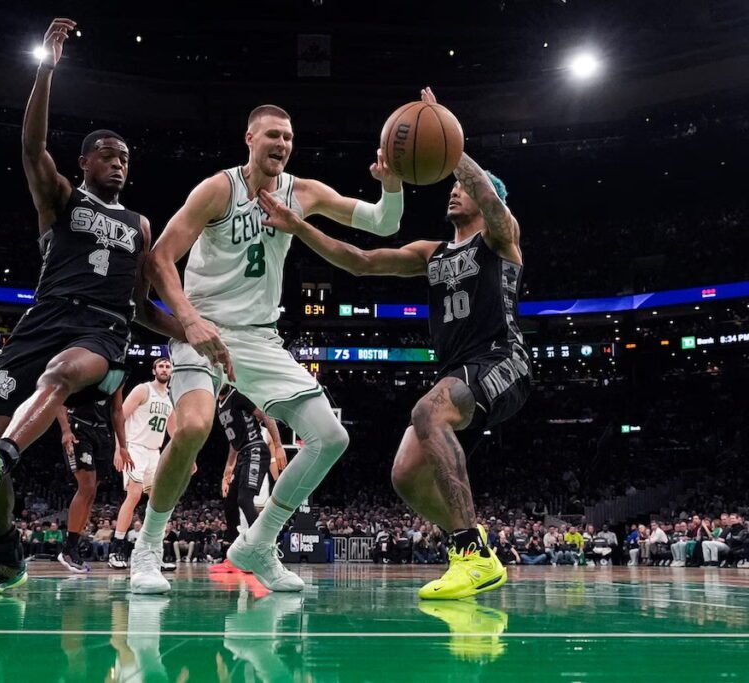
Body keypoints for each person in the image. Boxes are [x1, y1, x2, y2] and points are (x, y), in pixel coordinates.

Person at [0, 17, 185, 596]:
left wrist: (194, 332)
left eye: (125, 156)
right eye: (106, 154)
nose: (118, 161)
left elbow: (143, 307)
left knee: (57, 379)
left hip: (100, 329)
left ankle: (2, 455)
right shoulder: (60, 198)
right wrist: (47, 68)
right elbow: (30, 145)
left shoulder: (140, 225)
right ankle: (4, 550)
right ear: (84, 164)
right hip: (43, 316)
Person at [256, 87, 530, 599]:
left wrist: (451, 147)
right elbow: (359, 261)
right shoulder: (432, 252)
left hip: (502, 359)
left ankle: (469, 552)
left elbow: (490, 199)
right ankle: (473, 553)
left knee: (428, 413)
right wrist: (298, 226)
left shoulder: (501, 237)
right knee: (404, 474)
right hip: (458, 371)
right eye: (452, 185)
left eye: (463, 188)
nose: (454, 192)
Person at [130, 99, 405, 593]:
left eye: (289, 137)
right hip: (205, 328)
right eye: (273, 134)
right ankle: (147, 548)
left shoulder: (304, 192)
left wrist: (391, 183)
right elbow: (159, 259)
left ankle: (258, 543)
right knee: (193, 426)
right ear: (250, 139)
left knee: (330, 437)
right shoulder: (219, 188)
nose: (282, 144)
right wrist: (188, 322)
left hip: (260, 338)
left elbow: (384, 224)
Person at [108, 358, 175, 569]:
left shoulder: (171, 397)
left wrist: (187, 455)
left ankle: (152, 550)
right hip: (134, 447)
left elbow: (173, 430)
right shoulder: (142, 390)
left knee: (158, 501)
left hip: (154, 452)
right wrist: (120, 448)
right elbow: (120, 416)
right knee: (134, 493)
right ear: (154, 370)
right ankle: (116, 549)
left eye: (168, 366)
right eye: (161, 366)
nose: (164, 369)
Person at [212, 387, 286, 573]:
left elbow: (266, 416)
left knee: (244, 500)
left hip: (256, 449)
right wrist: (228, 469)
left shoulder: (237, 396)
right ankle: (234, 551)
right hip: (244, 453)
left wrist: (278, 446)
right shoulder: (219, 405)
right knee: (230, 503)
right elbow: (234, 442)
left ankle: (263, 549)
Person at [56, 387, 125, 573]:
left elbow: (117, 411)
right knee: (86, 487)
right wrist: (65, 430)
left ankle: (74, 546)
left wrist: (123, 446)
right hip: (79, 427)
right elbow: (59, 397)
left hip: (102, 432)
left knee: (92, 490)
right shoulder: (86, 364)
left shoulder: (119, 373)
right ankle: (68, 549)